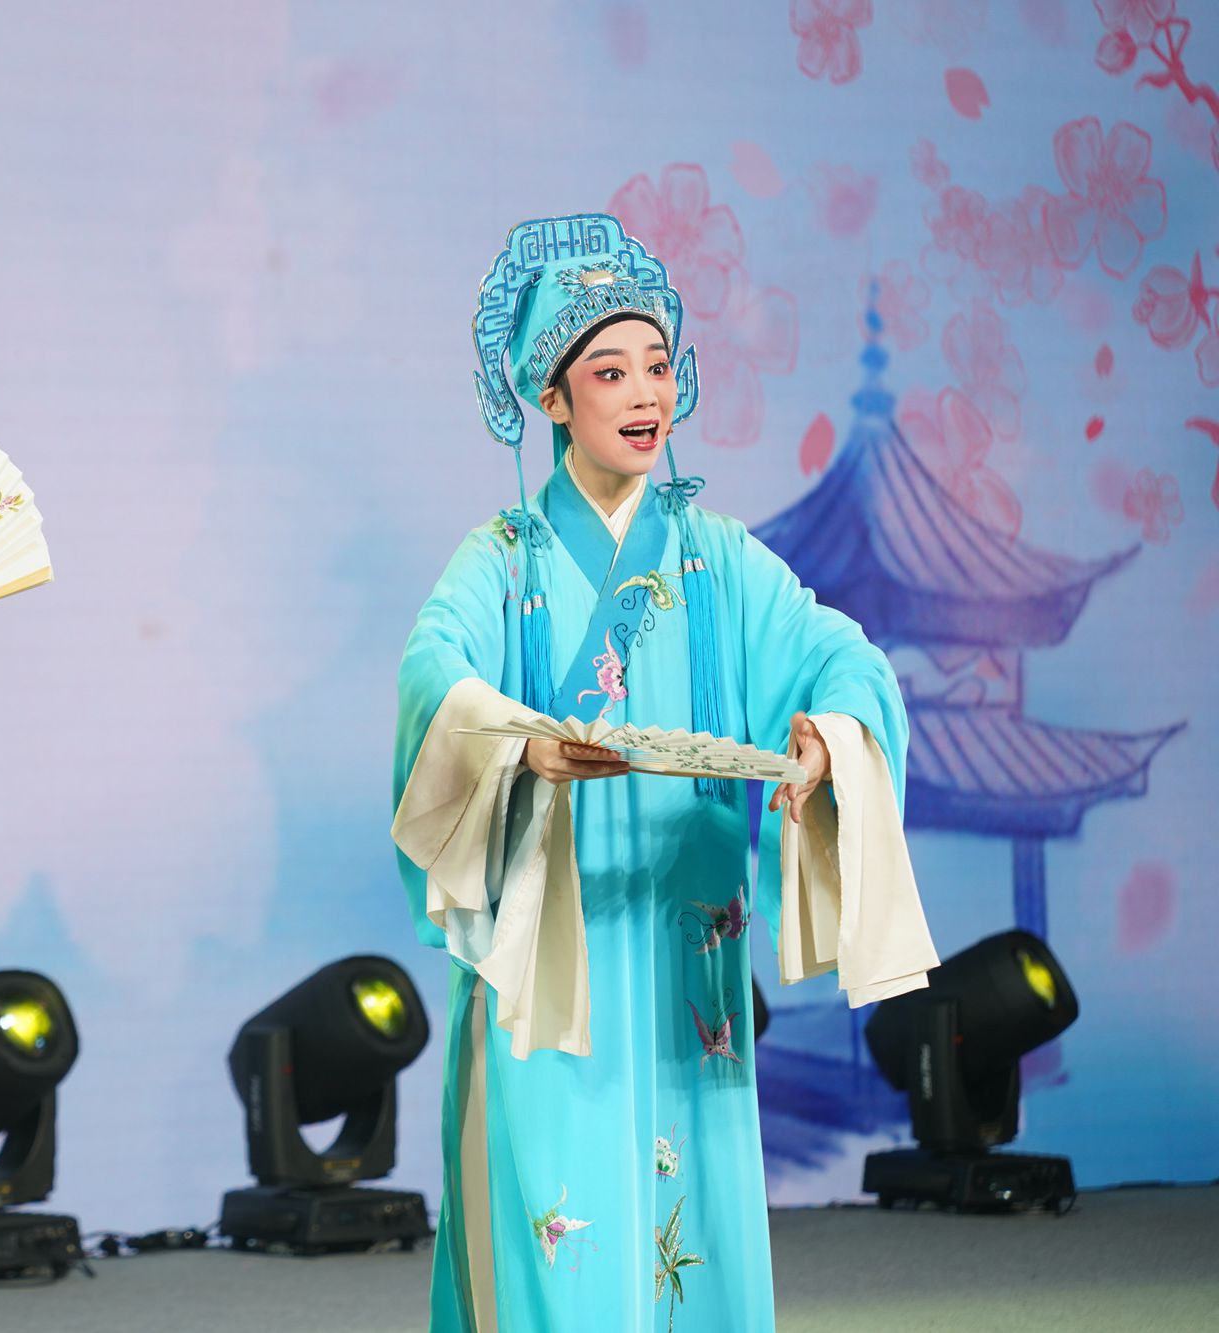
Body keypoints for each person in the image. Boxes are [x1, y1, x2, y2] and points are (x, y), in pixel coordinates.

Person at [392, 214, 939, 1330]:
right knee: (555, 1236)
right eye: (609, 372)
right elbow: (432, 671)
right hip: (555, 955)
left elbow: (839, 656)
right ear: (552, 399)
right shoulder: (502, 560)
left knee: (691, 1231)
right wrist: (521, 740)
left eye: (657, 366)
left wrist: (826, 734)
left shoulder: (717, 558)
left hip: (689, 948)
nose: (645, 395)